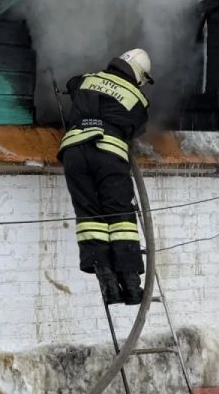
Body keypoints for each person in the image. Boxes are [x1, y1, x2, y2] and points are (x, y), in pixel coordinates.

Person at [58, 48, 153, 305]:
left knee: (89, 216)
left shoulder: (88, 78)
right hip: (108, 153)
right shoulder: (138, 98)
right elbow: (136, 127)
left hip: (74, 152)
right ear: (138, 75)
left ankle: (107, 282)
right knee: (120, 215)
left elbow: (71, 84)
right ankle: (131, 285)